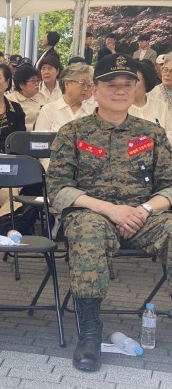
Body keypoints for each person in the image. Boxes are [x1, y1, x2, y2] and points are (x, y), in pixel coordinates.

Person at [46, 53, 172, 372]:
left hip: (143, 217)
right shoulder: (73, 133)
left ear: (136, 89)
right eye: (111, 84)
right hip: (91, 214)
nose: (120, 90)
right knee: (88, 231)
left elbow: (169, 186)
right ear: (95, 90)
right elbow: (58, 189)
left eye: (127, 84)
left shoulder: (152, 133)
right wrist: (112, 211)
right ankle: (90, 331)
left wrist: (143, 210)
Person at [35, 63, 95, 133]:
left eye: (88, 85)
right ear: (66, 84)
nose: (86, 88)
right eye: (82, 83)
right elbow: (39, 139)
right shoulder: (48, 110)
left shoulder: (93, 111)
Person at [129, 60, 172, 142]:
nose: (129, 85)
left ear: (146, 82)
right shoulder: (119, 109)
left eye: (135, 80)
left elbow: (170, 132)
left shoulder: (160, 106)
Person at [7, 64, 48, 131]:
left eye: (38, 80)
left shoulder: (43, 97)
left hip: (43, 134)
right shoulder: (10, 100)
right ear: (21, 85)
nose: (37, 84)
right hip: (22, 135)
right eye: (33, 81)